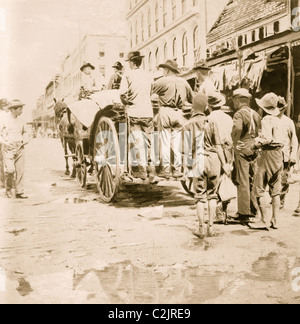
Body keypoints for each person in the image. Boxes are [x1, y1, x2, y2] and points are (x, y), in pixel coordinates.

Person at [183, 93, 232, 238]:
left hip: (198, 160)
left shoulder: (187, 125)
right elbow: (218, 146)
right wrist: (224, 164)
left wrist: (187, 168)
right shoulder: (212, 122)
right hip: (214, 160)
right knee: (212, 196)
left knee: (199, 197)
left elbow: (185, 150)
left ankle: (201, 228)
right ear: (206, 107)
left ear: (192, 107)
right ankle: (211, 227)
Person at [152, 59, 194, 178]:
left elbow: (149, 93)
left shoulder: (161, 81)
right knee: (176, 142)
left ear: (167, 70)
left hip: (165, 111)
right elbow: (192, 99)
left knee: (165, 141)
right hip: (179, 113)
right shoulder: (184, 82)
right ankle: (177, 169)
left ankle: (165, 169)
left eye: (164, 69)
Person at [120, 51, 156, 182]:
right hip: (148, 113)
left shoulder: (127, 75)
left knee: (137, 142)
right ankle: (151, 170)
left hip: (134, 112)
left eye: (129, 62)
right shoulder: (148, 75)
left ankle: (141, 171)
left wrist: (127, 103)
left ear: (132, 62)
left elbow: (122, 94)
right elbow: (151, 92)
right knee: (148, 142)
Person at [250, 93, 285, 230]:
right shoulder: (279, 120)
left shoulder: (266, 120)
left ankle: (264, 219)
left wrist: (255, 145)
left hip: (268, 154)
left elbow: (267, 139)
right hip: (278, 155)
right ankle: (275, 220)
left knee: (258, 188)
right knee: (275, 190)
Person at [231, 88, 261, 224]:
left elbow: (237, 129)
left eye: (234, 100)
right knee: (253, 180)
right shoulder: (255, 113)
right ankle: (254, 209)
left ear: (238, 100)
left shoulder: (238, 114)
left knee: (242, 180)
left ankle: (244, 212)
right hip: (254, 148)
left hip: (242, 148)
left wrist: (235, 142)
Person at [207, 92, 234, 222]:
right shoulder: (228, 118)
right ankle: (224, 210)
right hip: (229, 148)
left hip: (216, 150)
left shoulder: (209, 119)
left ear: (209, 106)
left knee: (215, 181)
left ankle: (218, 212)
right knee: (226, 179)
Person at [0, 100, 29, 199]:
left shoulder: (21, 120)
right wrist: (4, 142)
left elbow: (25, 132)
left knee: (20, 170)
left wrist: (26, 139)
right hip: (8, 147)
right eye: (20, 109)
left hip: (20, 147)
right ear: (13, 109)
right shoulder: (4, 120)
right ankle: (8, 189)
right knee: (10, 170)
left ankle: (19, 192)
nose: (22, 111)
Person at [276, 96, 298, 209]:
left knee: (284, 178)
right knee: (274, 177)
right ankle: (275, 197)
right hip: (274, 154)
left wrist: (293, 156)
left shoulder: (288, 122)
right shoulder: (270, 119)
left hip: (285, 155)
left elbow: (294, 141)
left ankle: (281, 199)